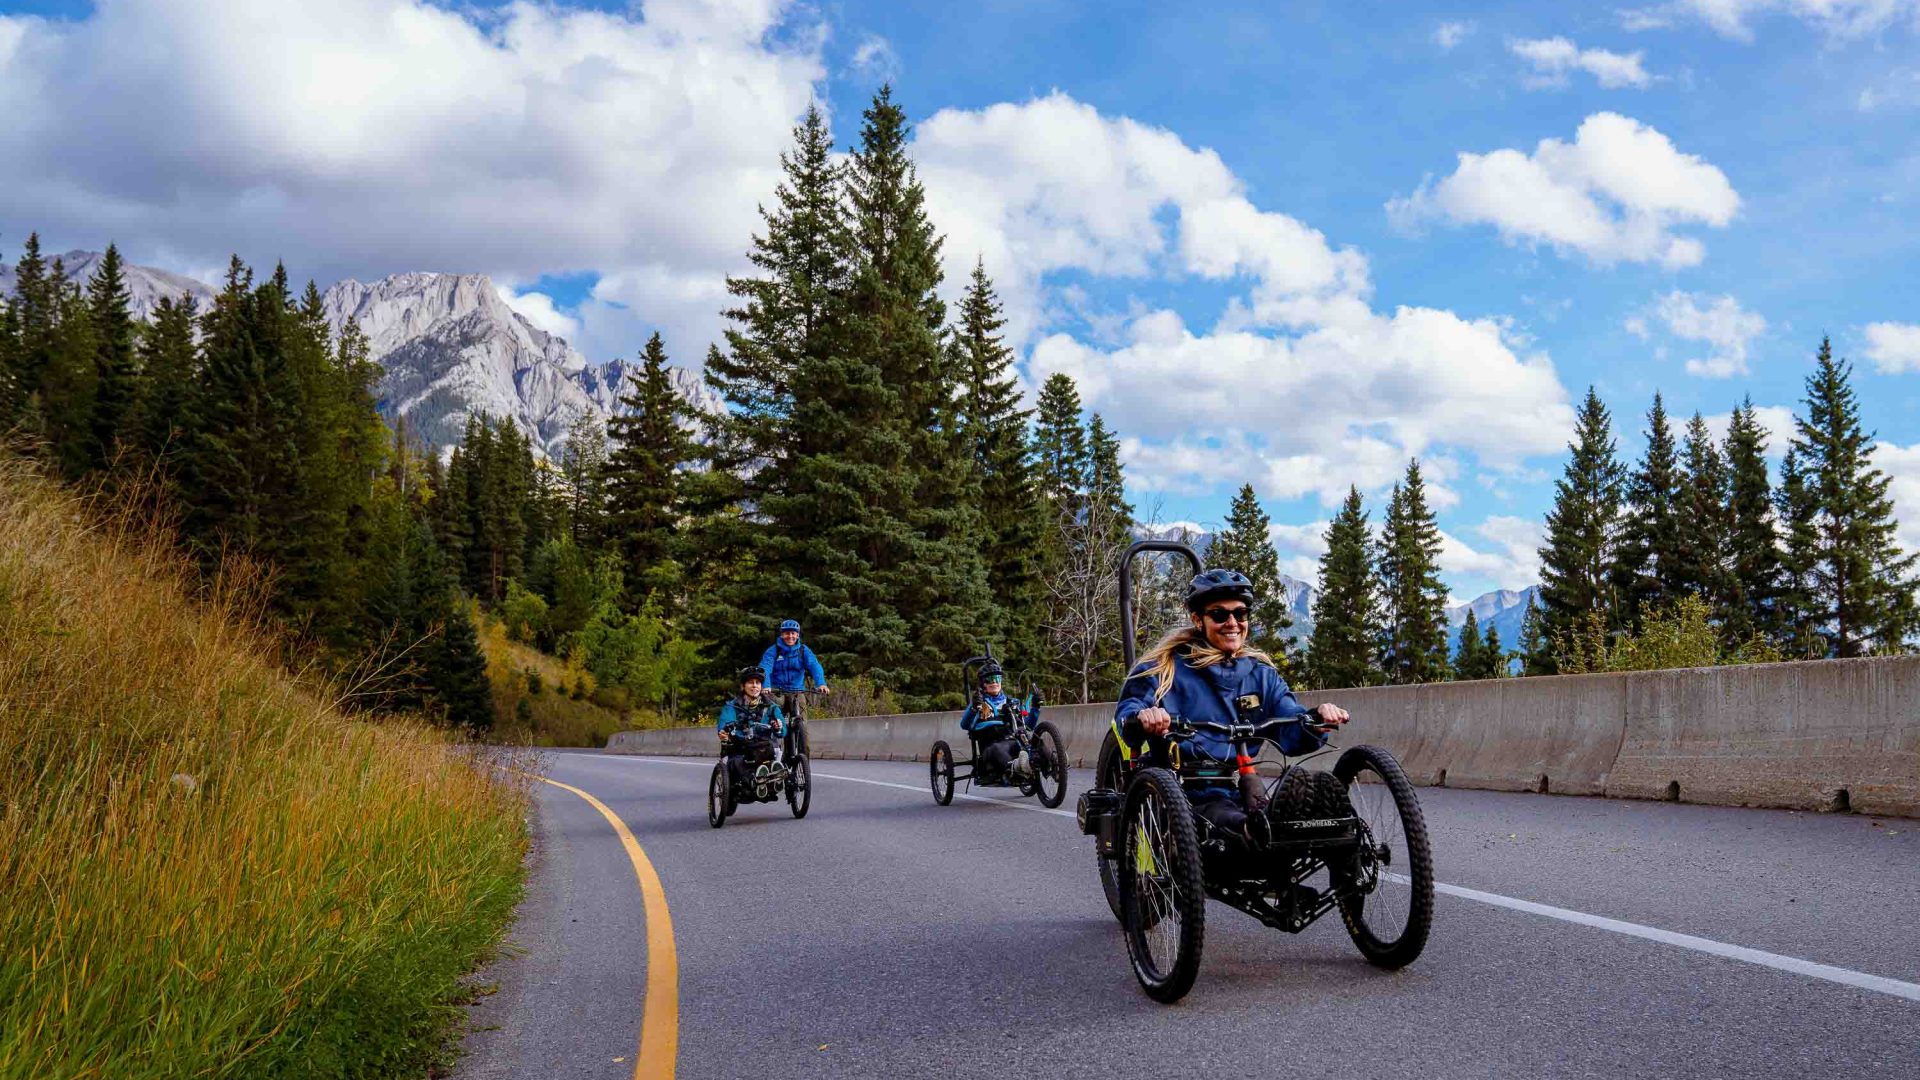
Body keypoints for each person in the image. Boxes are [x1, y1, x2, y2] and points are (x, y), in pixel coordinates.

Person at [1115, 568, 1351, 844]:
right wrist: (1144, 716)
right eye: (1219, 614)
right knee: (1231, 818)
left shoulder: (1261, 674)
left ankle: (1337, 856)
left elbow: (1290, 724)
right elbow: (1129, 712)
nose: (1232, 622)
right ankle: (1255, 829)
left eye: (1240, 614)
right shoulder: (1162, 668)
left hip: (1242, 784)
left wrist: (1316, 721)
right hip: (1182, 789)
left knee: (1306, 820)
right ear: (1198, 620)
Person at [958, 661, 1050, 783]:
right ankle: (1016, 768)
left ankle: (1054, 766)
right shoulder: (979, 703)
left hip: (1015, 742)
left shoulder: (1013, 702)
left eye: (997, 678)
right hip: (991, 747)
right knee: (998, 749)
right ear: (983, 684)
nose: (994, 682)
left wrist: (1035, 708)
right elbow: (964, 725)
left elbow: (1028, 726)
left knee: (1038, 744)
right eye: (989, 680)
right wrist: (974, 708)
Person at [760, 619, 828, 762]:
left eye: (793, 633)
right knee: (776, 719)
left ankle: (803, 765)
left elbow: (815, 666)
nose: (790, 636)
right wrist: (765, 685)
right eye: (786, 634)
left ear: (797, 635)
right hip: (777, 690)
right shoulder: (774, 651)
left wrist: (821, 683)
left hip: (798, 691)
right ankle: (773, 752)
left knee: (803, 726)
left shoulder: (803, 650)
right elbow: (765, 667)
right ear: (781, 635)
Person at [717, 667, 786, 793]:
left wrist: (778, 727)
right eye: (750, 682)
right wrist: (724, 733)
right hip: (741, 749)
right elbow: (725, 722)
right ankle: (756, 781)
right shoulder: (732, 706)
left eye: (757, 683)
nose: (754, 686)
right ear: (743, 686)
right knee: (737, 763)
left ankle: (772, 777)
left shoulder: (771, 707)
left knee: (773, 753)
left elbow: (782, 731)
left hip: (765, 749)